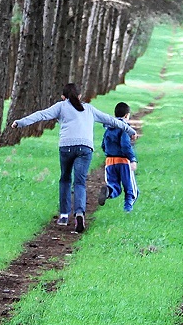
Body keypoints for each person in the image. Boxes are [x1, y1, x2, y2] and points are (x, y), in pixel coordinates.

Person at [11, 83, 133, 233]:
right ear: (80, 96)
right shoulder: (89, 108)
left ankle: (63, 215)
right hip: (85, 148)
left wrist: (20, 122)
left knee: (65, 179)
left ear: (63, 97)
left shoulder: (61, 106)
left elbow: (41, 114)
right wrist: (130, 130)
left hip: (66, 147)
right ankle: (80, 213)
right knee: (80, 182)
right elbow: (112, 120)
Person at [102, 102, 138, 212]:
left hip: (110, 161)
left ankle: (108, 191)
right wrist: (132, 159)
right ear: (127, 115)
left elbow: (103, 145)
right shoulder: (124, 128)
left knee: (114, 186)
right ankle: (128, 211)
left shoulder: (108, 128)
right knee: (130, 189)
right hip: (123, 161)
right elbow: (125, 145)